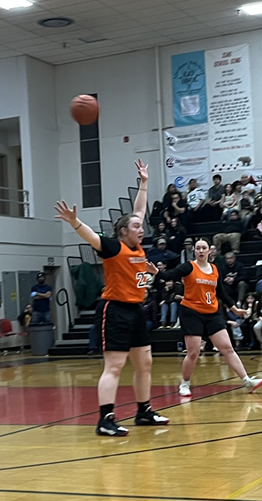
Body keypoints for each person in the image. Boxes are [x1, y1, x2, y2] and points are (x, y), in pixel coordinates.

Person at [54, 159, 169, 437]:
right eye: (136, 227)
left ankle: (144, 411)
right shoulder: (113, 247)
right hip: (114, 310)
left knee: (145, 363)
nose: (141, 229)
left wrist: (144, 182)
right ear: (123, 232)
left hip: (136, 310)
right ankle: (105, 420)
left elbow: (139, 210)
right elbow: (92, 237)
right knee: (114, 366)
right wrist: (74, 222)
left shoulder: (139, 250)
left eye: (141, 226)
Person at [156, 237, 262, 396]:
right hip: (191, 312)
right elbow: (169, 275)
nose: (200, 251)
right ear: (194, 251)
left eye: (203, 248)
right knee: (193, 353)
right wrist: (156, 272)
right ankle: (185, 383)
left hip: (212, 313)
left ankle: (247, 381)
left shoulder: (215, 269)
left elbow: (221, 292)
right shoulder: (188, 266)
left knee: (227, 348)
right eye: (197, 248)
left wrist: (235, 309)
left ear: (209, 251)